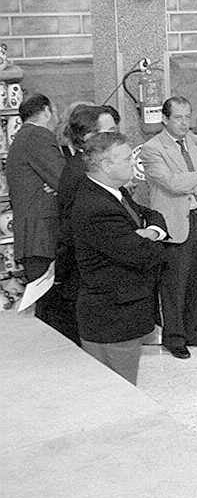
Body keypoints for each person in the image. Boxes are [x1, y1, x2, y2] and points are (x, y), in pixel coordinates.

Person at [71, 132, 167, 385]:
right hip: (112, 319)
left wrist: (150, 232)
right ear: (106, 165)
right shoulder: (96, 207)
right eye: (126, 159)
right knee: (119, 392)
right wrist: (152, 241)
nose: (134, 164)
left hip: (122, 312)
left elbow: (151, 213)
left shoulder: (114, 191)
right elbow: (144, 254)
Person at [142, 96, 197, 360]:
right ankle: (174, 336)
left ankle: (194, 330)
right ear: (165, 119)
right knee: (174, 283)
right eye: (178, 117)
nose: (184, 122)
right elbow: (172, 184)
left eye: (187, 116)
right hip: (173, 222)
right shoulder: (153, 148)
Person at [5, 94, 69, 341]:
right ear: (46, 110)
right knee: (53, 305)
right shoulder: (39, 136)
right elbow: (63, 180)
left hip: (33, 232)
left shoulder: (22, 137)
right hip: (43, 233)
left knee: (47, 305)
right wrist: (62, 183)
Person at [54, 105, 118, 336]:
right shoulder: (79, 173)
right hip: (87, 274)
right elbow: (72, 228)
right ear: (88, 137)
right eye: (109, 132)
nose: (116, 137)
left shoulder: (93, 167)